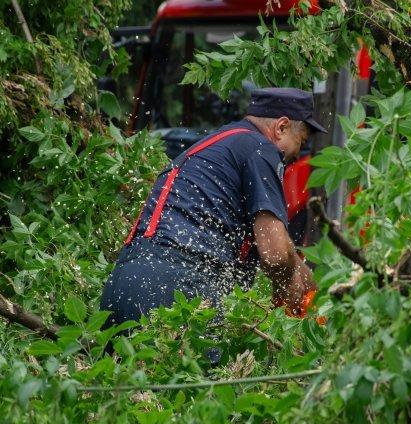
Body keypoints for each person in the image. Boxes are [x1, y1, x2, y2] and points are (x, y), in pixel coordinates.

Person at [100, 87, 327, 326]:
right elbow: (276, 255)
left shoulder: (220, 146)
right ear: (281, 127)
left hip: (122, 284)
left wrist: (311, 285)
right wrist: (290, 287)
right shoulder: (260, 148)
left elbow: (279, 253)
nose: (295, 157)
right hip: (177, 288)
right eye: (299, 143)